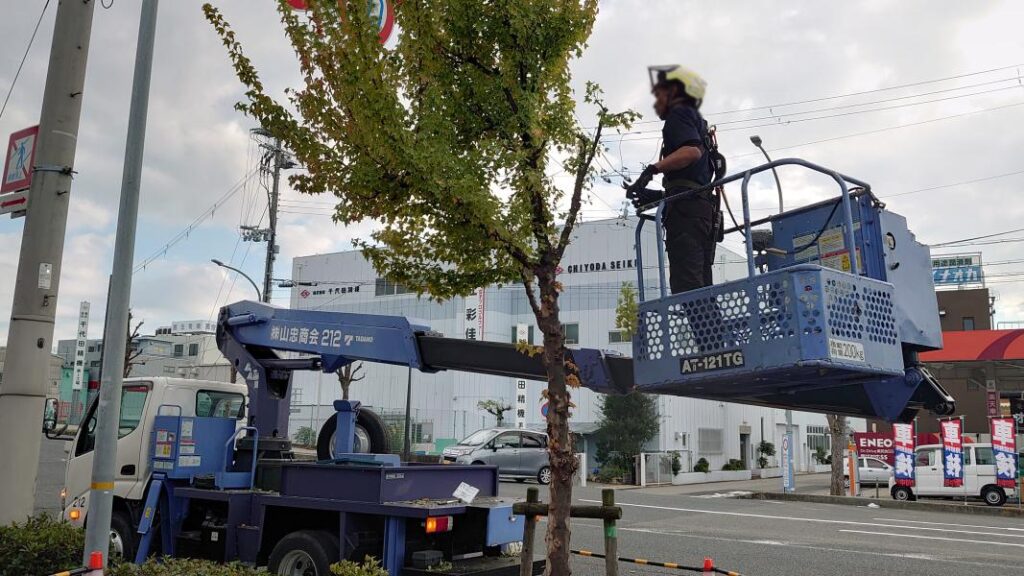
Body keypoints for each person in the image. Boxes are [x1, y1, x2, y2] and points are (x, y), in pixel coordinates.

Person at [627, 65, 716, 294]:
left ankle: (708, 331)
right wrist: (659, 197)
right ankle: (713, 331)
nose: (656, 102)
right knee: (700, 285)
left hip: (686, 215)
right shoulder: (698, 122)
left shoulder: (680, 114)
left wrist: (651, 170)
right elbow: (692, 179)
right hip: (699, 211)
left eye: (659, 94)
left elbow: (691, 152)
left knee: (686, 287)